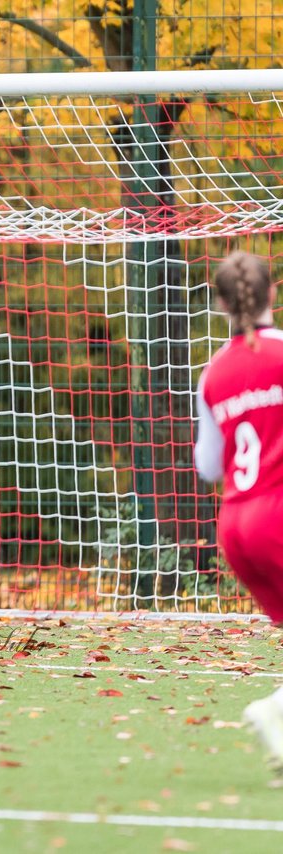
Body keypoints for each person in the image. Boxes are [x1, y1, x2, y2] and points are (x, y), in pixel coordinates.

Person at [193, 251, 283, 772]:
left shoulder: (212, 373)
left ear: (222, 303)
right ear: (271, 294)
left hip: (237, 526)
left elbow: (208, 467)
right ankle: (273, 710)